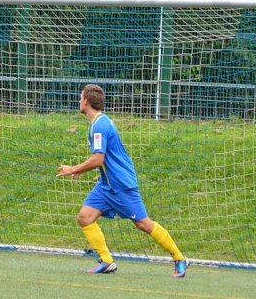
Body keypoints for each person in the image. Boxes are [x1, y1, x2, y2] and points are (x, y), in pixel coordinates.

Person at [56, 84, 187, 278]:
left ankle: (179, 258)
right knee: (85, 217)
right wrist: (81, 171)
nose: (79, 101)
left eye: (80, 97)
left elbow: (98, 159)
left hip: (121, 185)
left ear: (86, 101)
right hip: (107, 185)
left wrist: (73, 169)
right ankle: (107, 261)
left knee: (144, 224)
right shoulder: (99, 123)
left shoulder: (99, 125)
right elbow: (100, 159)